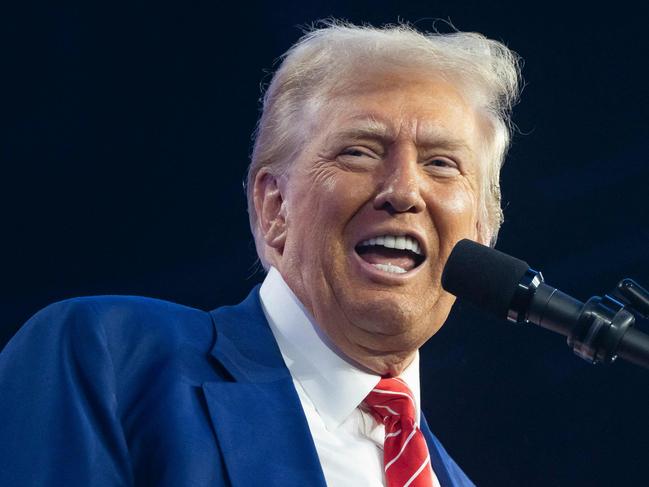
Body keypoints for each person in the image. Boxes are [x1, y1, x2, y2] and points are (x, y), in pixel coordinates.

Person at [0, 21, 521, 486]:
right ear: (275, 207)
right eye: (359, 151)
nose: (404, 191)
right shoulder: (111, 360)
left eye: (441, 164)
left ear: (481, 231)